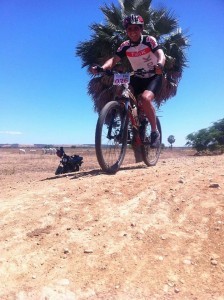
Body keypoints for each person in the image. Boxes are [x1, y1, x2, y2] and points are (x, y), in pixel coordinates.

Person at [92, 14, 166, 147]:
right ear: (126, 31)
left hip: (154, 76)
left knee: (145, 99)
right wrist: (102, 68)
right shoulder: (125, 45)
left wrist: (160, 65)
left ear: (141, 29)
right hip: (137, 76)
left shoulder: (149, 40)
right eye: (129, 29)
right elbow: (114, 60)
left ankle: (155, 132)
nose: (132, 32)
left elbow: (161, 55)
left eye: (135, 28)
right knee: (122, 93)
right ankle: (130, 122)